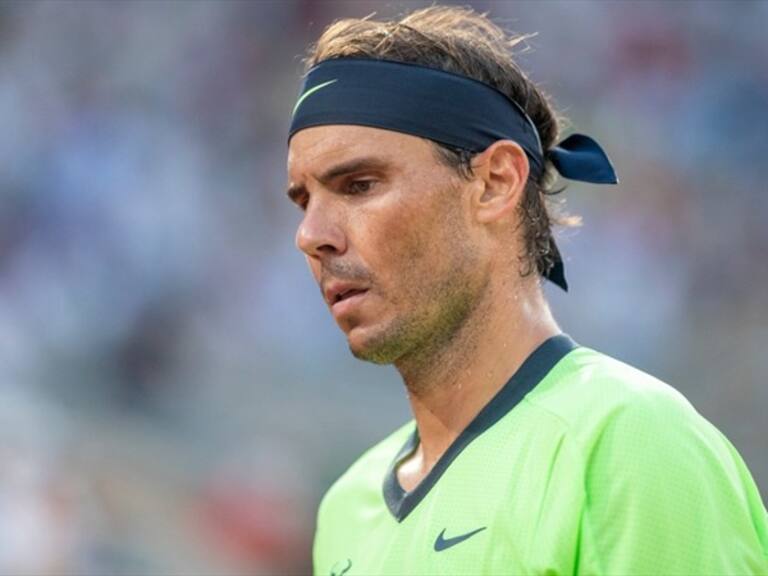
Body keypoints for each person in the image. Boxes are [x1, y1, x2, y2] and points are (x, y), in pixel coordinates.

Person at [285, 6, 768, 575]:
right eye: (303, 200)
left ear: (495, 183)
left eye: (359, 185)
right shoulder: (348, 504)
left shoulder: (630, 439)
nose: (310, 236)